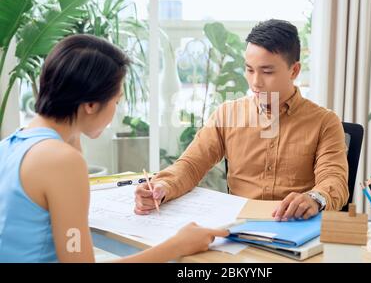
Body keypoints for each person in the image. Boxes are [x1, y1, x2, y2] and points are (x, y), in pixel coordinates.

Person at [0, 34, 228, 263]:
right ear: (90, 104)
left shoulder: (11, 146)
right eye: (116, 101)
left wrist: (73, 132)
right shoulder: (62, 161)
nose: (116, 111)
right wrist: (177, 246)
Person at [135, 19, 349, 221]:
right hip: (238, 229)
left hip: (295, 228)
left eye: (267, 71)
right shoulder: (227, 114)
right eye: (249, 70)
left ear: (294, 71)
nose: (256, 82)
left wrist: (315, 198)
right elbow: (191, 165)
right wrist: (163, 186)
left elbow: (334, 181)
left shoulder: (325, 122)